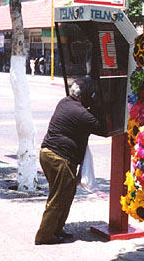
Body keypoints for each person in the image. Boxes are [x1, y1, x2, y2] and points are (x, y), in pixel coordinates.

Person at [35, 76, 105, 245]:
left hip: (49, 154)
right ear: (88, 96)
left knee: (66, 194)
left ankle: (56, 229)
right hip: (59, 158)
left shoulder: (65, 102)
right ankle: (44, 235)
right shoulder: (82, 113)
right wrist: (98, 105)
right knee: (59, 197)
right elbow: (100, 125)